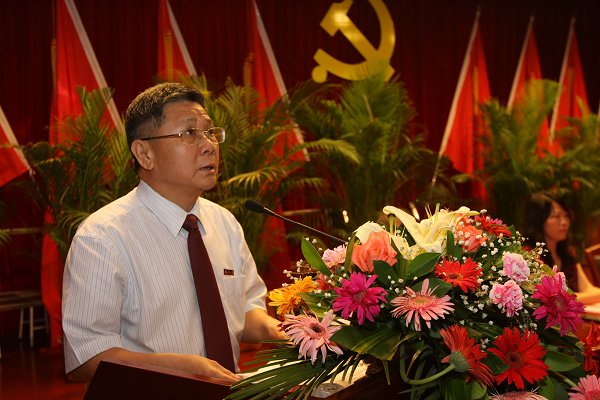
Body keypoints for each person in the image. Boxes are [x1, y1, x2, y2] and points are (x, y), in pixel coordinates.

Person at [62, 82, 286, 383]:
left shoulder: (225, 223)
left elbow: (245, 312)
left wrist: (283, 332)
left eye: (210, 132)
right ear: (144, 154)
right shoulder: (102, 238)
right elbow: (85, 359)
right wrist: (177, 368)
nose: (209, 145)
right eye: (189, 133)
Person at [522, 191, 600, 304]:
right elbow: (556, 301)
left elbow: (588, 289)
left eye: (566, 216)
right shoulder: (530, 257)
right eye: (556, 216)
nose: (564, 222)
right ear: (538, 220)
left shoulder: (568, 253)